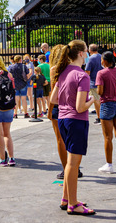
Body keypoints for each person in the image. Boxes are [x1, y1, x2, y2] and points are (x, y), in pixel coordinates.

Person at [54, 40, 95, 215]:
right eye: (86, 51)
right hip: (76, 120)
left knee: (70, 162)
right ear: (81, 53)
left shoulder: (63, 72)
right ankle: (73, 204)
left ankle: (67, 199)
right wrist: (92, 100)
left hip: (63, 119)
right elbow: (80, 107)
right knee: (73, 164)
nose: (87, 54)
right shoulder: (82, 76)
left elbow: (53, 99)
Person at [96, 51, 116, 173]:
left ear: (105, 61)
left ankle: (109, 164)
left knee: (108, 137)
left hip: (107, 104)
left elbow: (100, 91)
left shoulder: (101, 73)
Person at [47, 45, 70, 180]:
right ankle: (75, 166)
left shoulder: (54, 69)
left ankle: (66, 168)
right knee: (72, 138)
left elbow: (53, 92)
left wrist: (49, 111)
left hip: (58, 105)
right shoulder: (73, 68)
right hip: (72, 104)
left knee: (60, 139)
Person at [85, 44, 103, 124]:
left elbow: (87, 71)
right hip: (102, 81)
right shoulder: (101, 56)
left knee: (96, 100)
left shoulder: (90, 58)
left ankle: (99, 117)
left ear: (90, 50)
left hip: (93, 81)